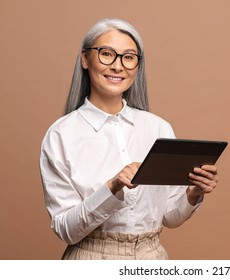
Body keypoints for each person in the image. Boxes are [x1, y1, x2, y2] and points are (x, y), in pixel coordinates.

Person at [39, 18, 219, 260]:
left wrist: (193, 193)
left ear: (137, 65)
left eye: (128, 57)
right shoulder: (61, 135)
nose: (117, 66)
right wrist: (112, 187)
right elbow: (67, 231)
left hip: (151, 256)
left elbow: (169, 217)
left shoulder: (158, 128)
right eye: (106, 54)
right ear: (85, 58)